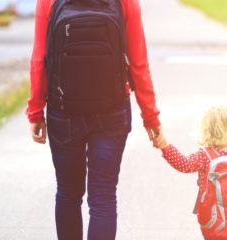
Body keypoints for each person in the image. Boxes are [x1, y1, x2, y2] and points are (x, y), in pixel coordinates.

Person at [26, 0, 163, 239]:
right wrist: (150, 117)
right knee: (103, 197)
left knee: (68, 194)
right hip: (112, 111)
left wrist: (35, 111)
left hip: (63, 111)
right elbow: (139, 63)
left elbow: (39, 60)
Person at [154, 106, 227, 240]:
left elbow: (184, 165)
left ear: (206, 131)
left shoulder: (205, 156)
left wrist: (165, 147)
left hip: (212, 220)